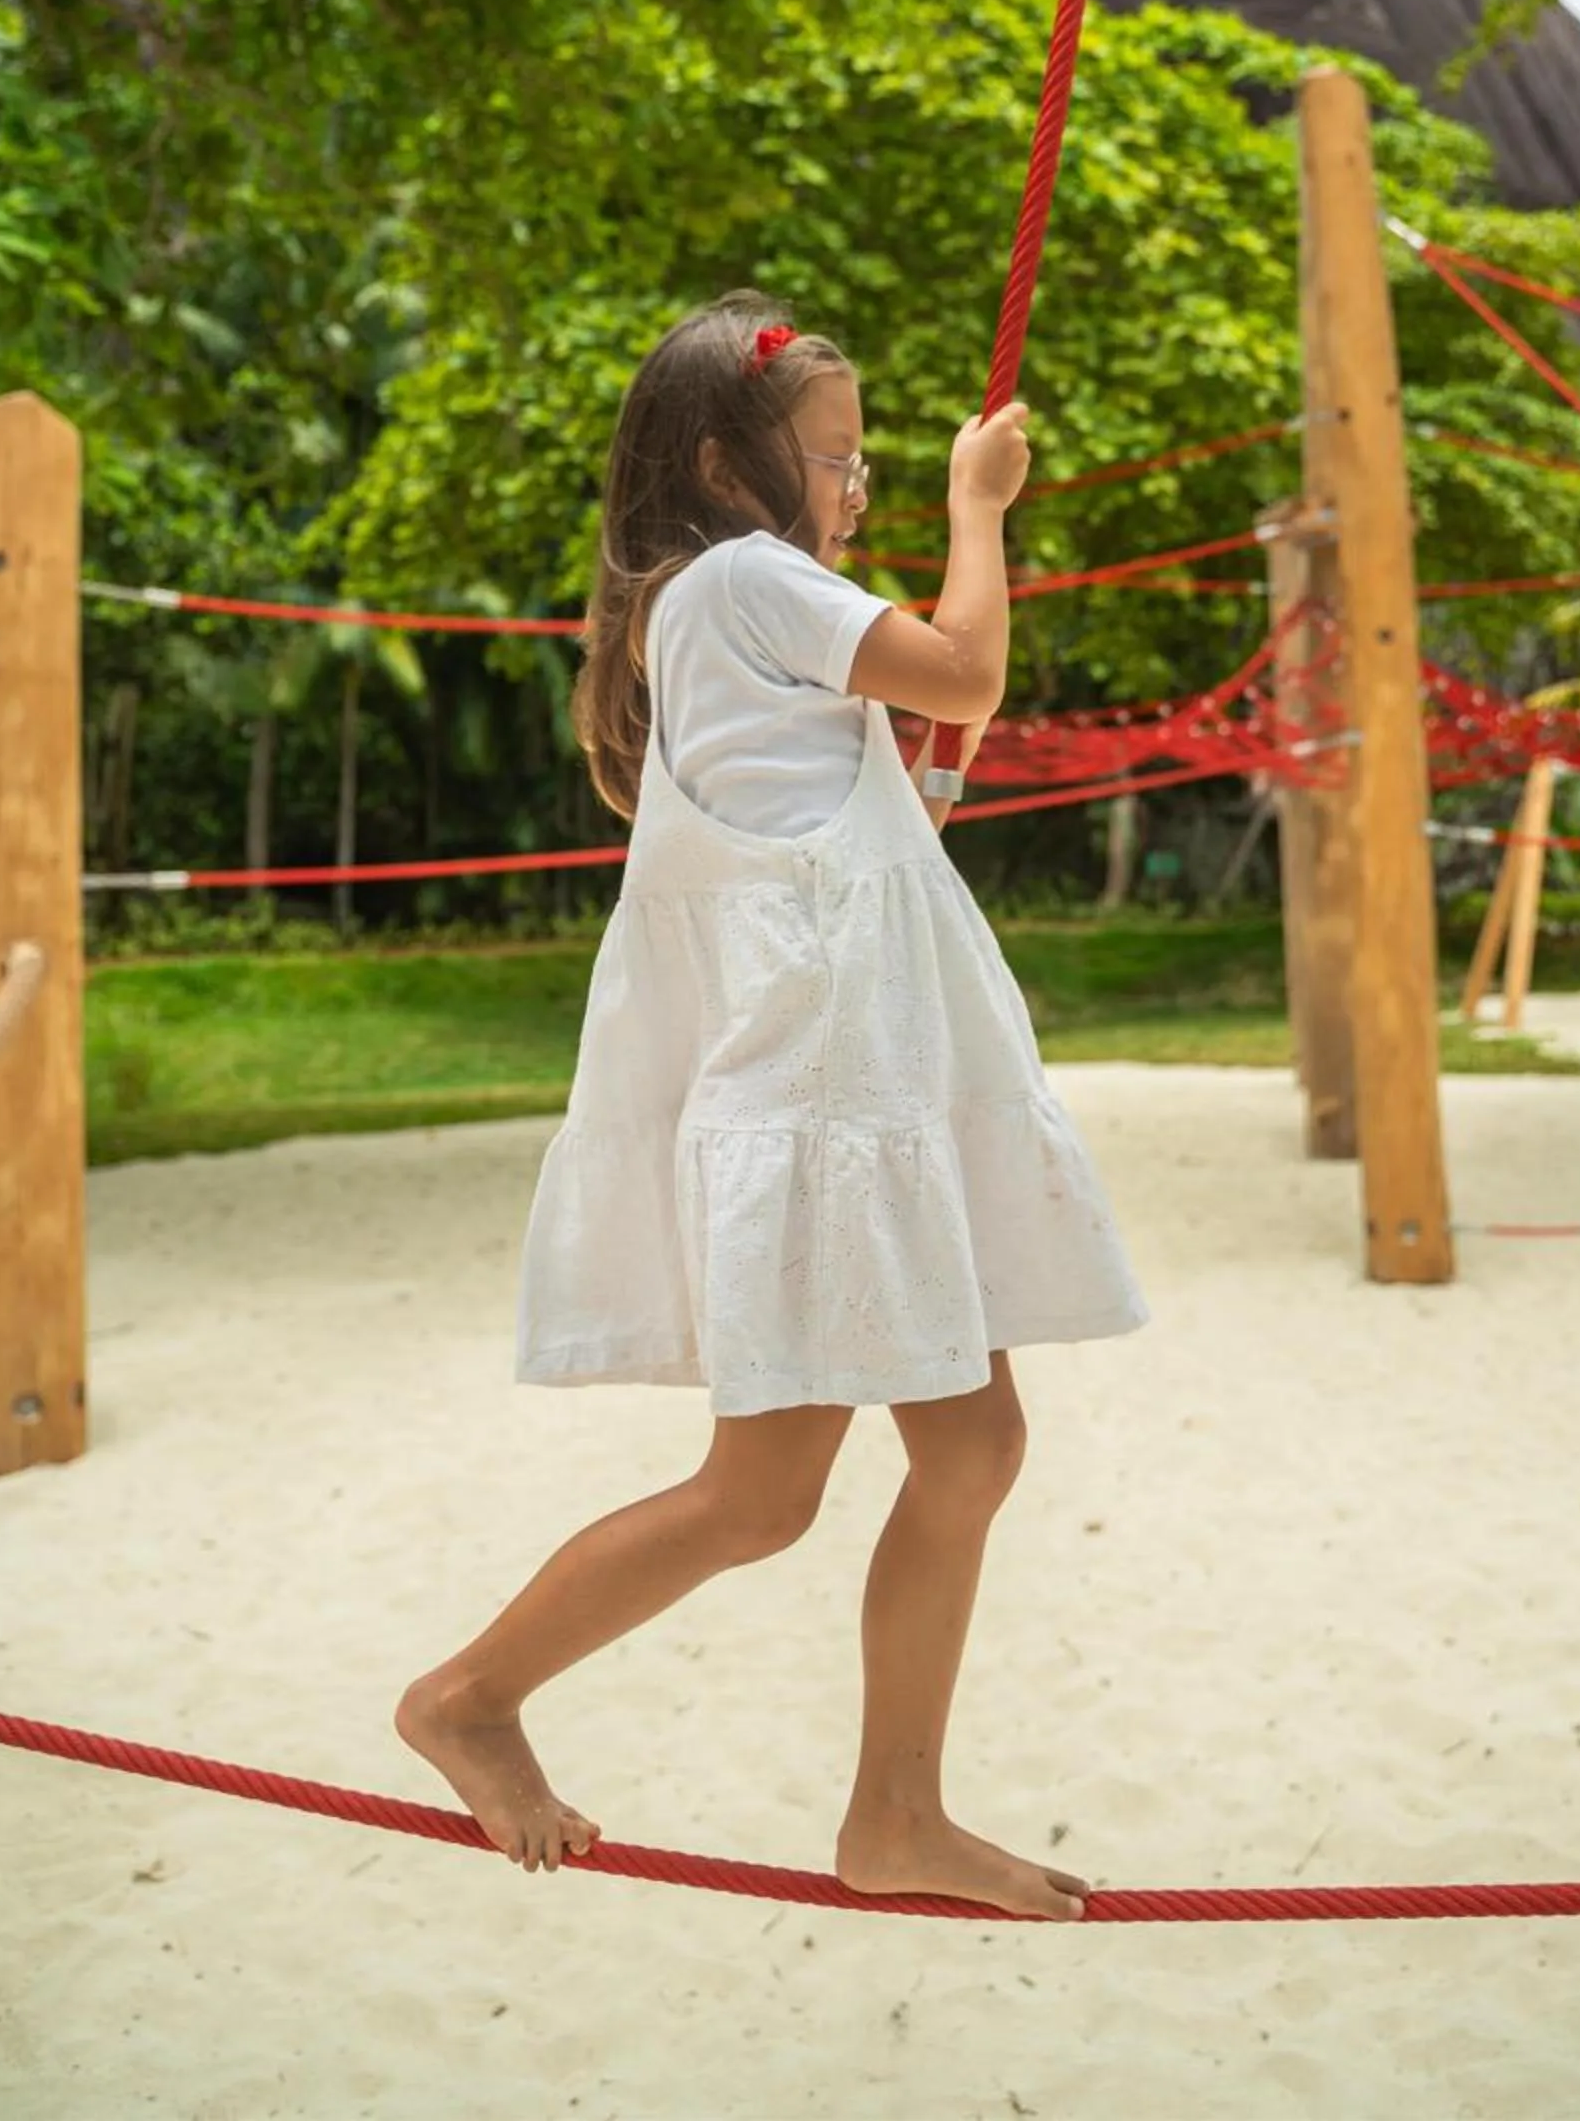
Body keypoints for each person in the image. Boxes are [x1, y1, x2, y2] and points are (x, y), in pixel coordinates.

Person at [397, 294, 1146, 1920]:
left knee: (971, 1447)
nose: (862, 485)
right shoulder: (744, 580)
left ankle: (895, 1814)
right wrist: (979, 507)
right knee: (761, 1494)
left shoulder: (725, 609)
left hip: (851, 1084)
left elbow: (857, 845)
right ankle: (469, 1696)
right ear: (736, 474)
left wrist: (904, 776)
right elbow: (968, 667)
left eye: (873, 463)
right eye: (843, 457)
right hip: (820, 1101)